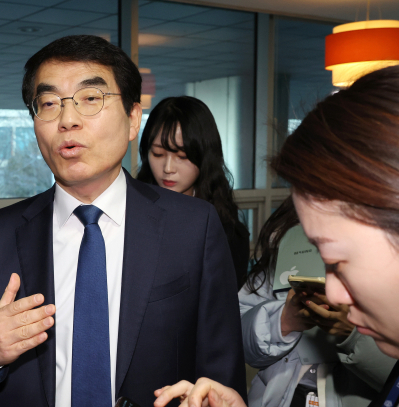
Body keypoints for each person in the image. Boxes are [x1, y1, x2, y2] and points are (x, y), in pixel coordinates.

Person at [0, 34, 246, 407]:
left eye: (91, 99)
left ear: (133, 119)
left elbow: (221, 372)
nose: (67, 120)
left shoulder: (193, 226)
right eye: (49, 103)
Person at [154, 65, 399, 407]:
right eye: (158, 153)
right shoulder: (286, 236)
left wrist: (349, 337)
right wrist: (284, 319)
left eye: (338, 260)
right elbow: (239, 325)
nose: (332, 291)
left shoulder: (224, 229)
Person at [241, 196, 394, 407]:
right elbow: (237, 341)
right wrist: (282, 322)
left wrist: (353, 335)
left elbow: (392, 378)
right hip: (277, 397)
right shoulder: (281, 258)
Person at [137, 96, 250, 289]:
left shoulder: (227, 233)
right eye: (158, 154)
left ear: (205, 156)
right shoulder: (130, 212)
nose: (168, 168)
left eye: (182, 156)